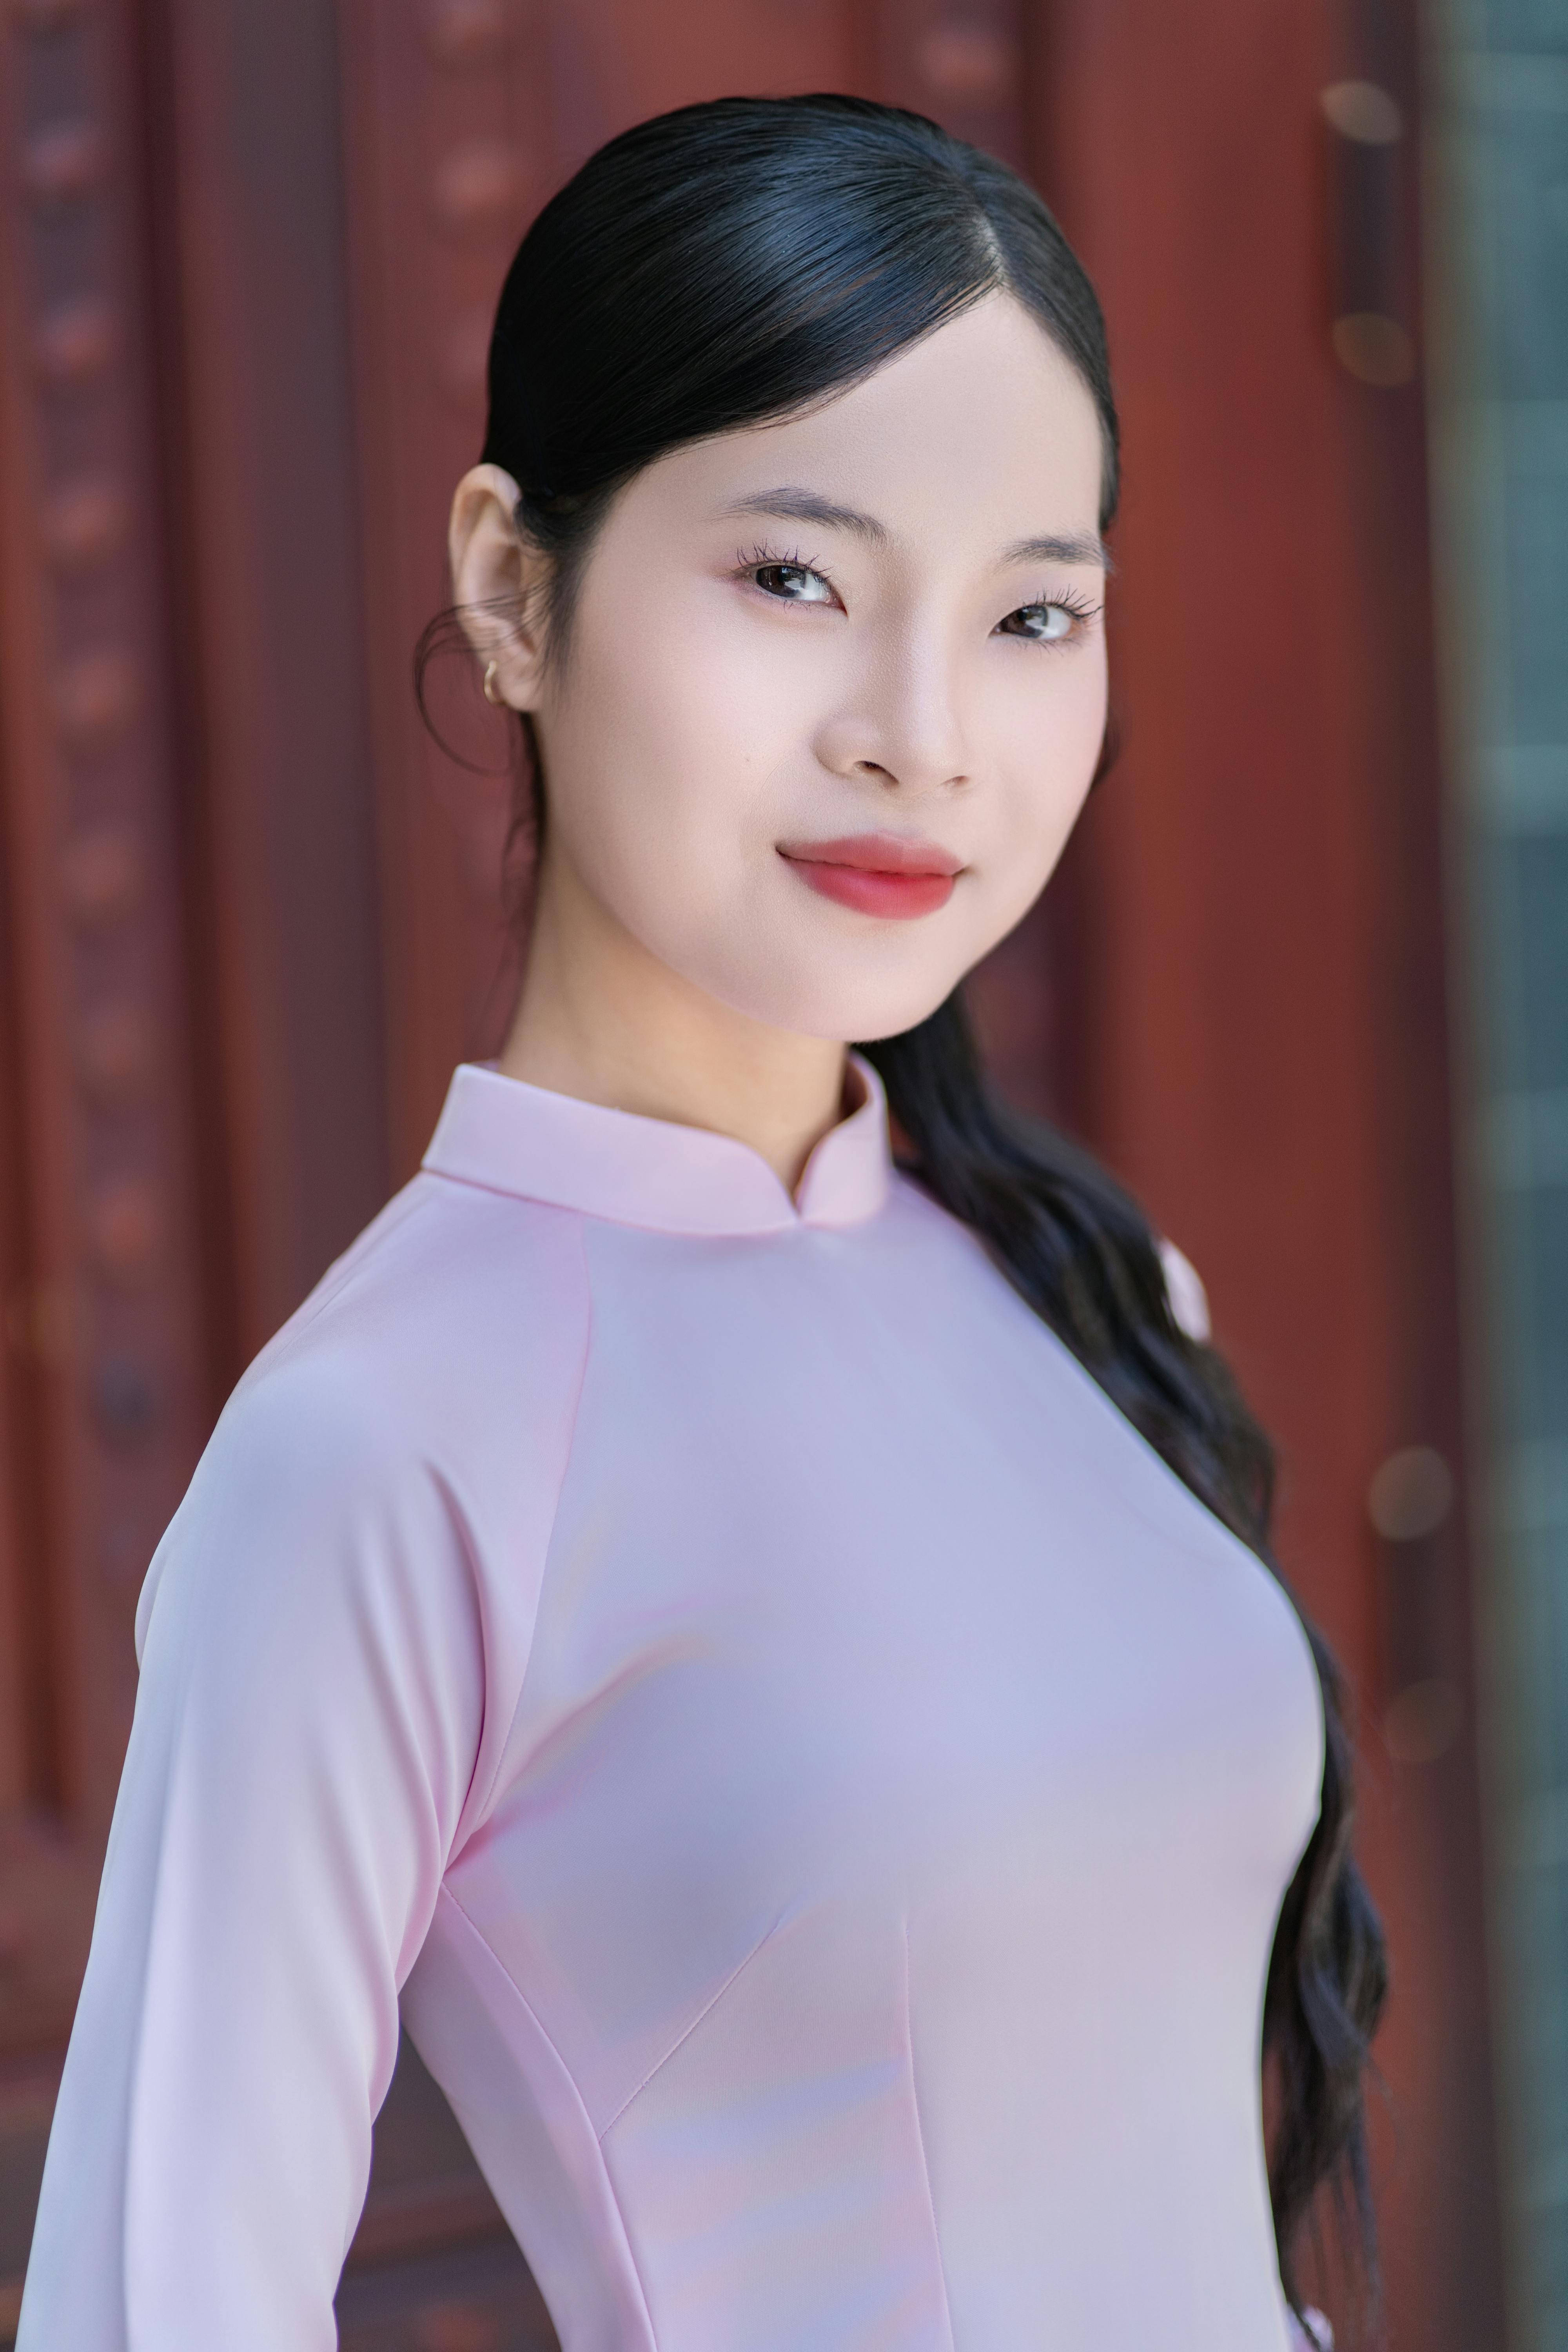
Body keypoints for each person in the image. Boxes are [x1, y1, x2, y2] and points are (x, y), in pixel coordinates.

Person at [19, 94, 1385, 2352]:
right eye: (796, 579)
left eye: (1034, 611)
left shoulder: (1083, 1289)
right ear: (512, 588)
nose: (926, 737)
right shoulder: (390, 1447)